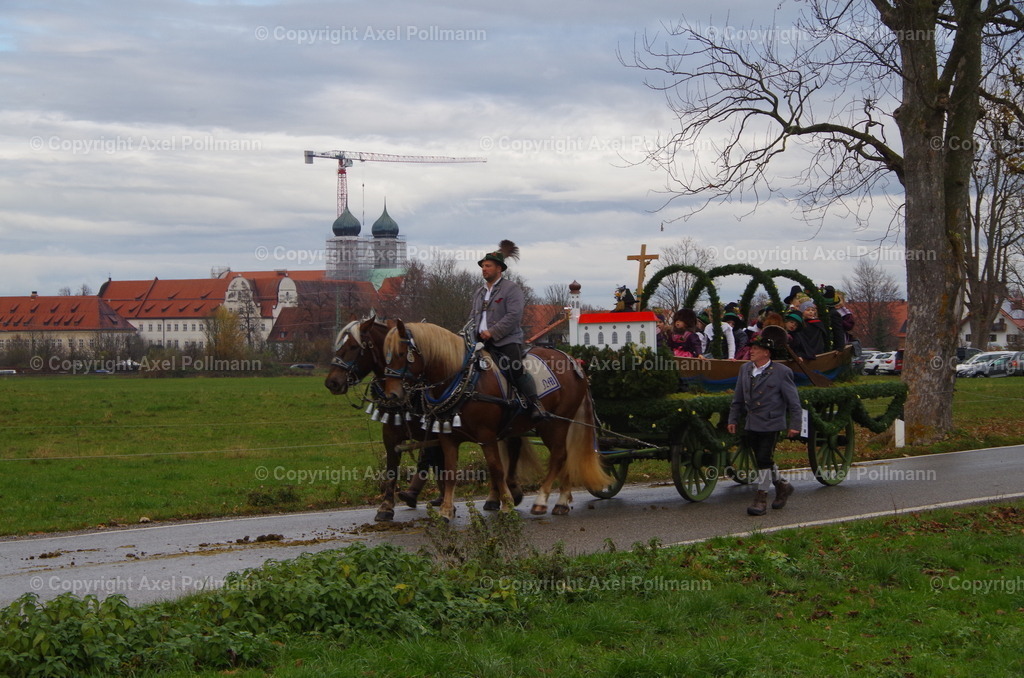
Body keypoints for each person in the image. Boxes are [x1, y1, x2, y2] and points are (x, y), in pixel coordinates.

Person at [472, 240, 549, 421]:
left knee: (515, 368)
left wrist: (493, 331)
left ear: (499, 268)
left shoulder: (512, 289)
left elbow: (514, 316)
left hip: (506, 341)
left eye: (488, 265)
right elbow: (472, 317)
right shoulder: (478, 293)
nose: (484, 269)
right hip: (480, 342)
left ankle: (536, 403)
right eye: (482, 266)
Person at [727, 334, 802, 516]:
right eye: (751, 348)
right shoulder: (745, 369)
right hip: (752, 422)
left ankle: (761, 498)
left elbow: (793, 401)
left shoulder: (781, 372)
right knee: (763, 460)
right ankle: (783, 486)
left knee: (763, 460)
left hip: (771, 422)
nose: (751, 351)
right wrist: (733, 419)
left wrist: (795, 424)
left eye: (756, 349)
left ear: (766, 353)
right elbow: (738, 398)